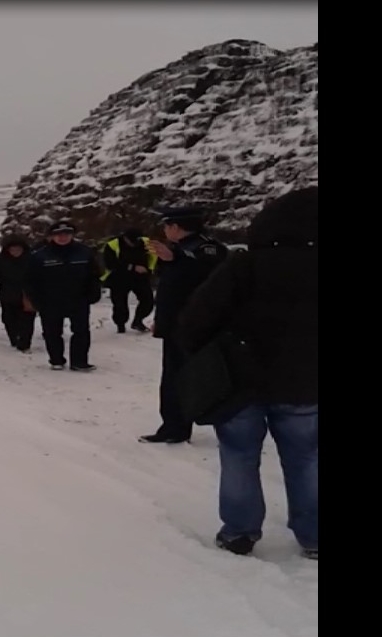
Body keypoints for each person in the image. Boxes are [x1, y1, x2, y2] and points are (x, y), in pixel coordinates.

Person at [176, 187, 318, 559]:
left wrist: (209, 355)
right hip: (305, 383)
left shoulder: (245, 265)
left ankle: (240, 532)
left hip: (241, 380)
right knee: (306, 458)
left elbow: (196, 319)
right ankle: (314, 534)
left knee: (239, 456)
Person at [138, 207, 229, 444]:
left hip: (198, 325)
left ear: (176, 226)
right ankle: (174, 427)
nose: (165, 230)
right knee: (172, 377)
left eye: (167, 226)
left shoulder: (207, 248)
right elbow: (170, 289)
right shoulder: (178, 250)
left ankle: (223, 424)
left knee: (203, 376)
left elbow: (211, 276)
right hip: (175, 323)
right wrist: (161, 319)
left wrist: (174, 258)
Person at [24, 221, 102, 371]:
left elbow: (94, 274)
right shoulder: (39, 256)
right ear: (52, 236)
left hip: (79, 299)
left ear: (72, 235)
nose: (62, 237)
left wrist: (94, 292)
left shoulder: (84, 252)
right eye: (58, 235)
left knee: (81, 331)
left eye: (66, 234)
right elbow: (30, 281)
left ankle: (79, 362)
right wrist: (36, 300)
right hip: (50, 301)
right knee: (52, 332)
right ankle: (56, 360)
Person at [101, 228, 157, 333]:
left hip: (140, 277)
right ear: (125, 238)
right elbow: (110, 264)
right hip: (119, 278)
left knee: (148, 301)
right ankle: (120, 326)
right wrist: (132, 267)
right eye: (132, 242)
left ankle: (138, 321)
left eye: (136, 242)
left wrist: (150, 270)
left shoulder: (146, 242)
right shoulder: (113, 245)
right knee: (120, 304)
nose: (134, 244)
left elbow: (154, 257)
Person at [0, 234, 37, 352]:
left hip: (27, 295)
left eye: (18, 249)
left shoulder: (32, 261)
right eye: (12, 249)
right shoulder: (1, 261)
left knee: (27, 320)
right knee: (8, 319)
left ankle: (24, 344)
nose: (15, 252)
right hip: (7, 295)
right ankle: (14, 338)